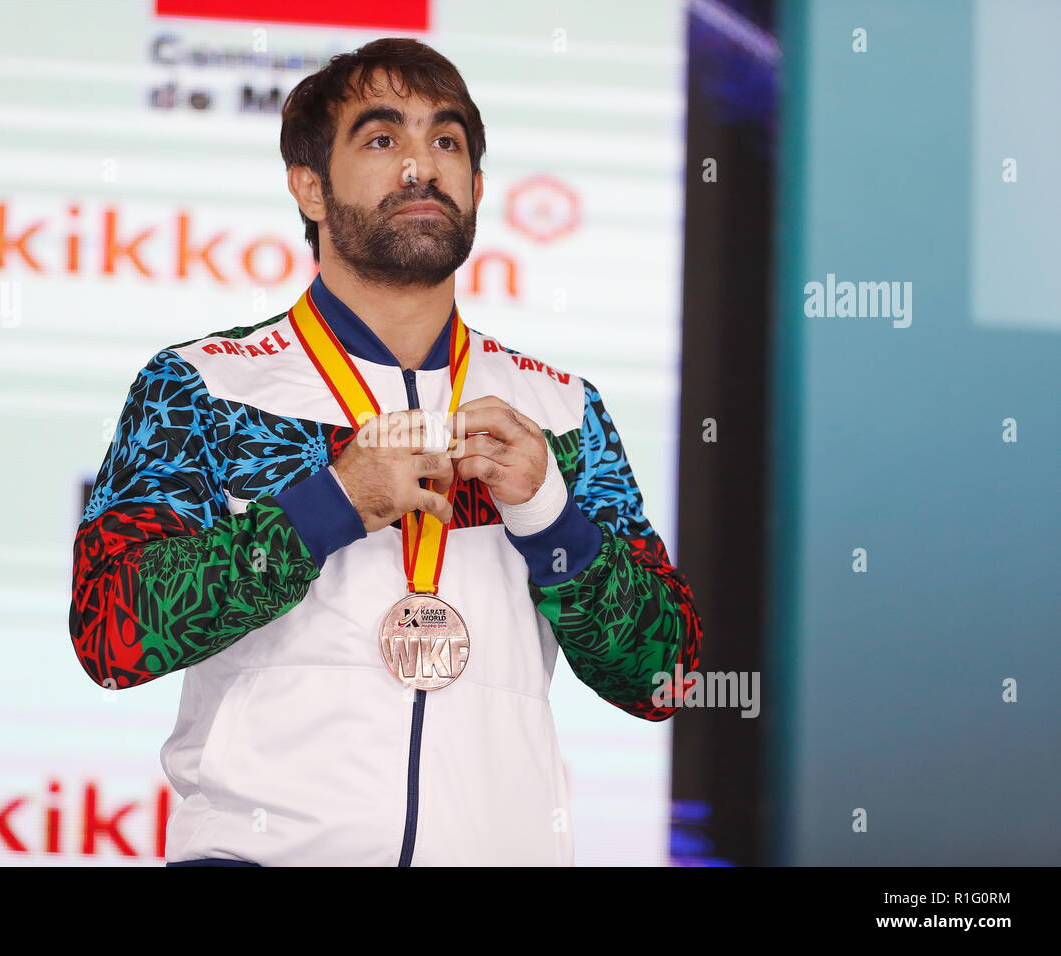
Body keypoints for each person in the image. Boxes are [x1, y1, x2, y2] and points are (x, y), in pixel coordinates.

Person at [69, 37, 703, 867]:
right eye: (381, 140)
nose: (420, 167)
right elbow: (112, 631)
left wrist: (550, 514)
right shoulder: (205, 387)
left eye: (446, 142)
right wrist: (329, 507)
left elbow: (666, 678)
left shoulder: (561, 411)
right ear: (309, 187)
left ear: (477, 187)